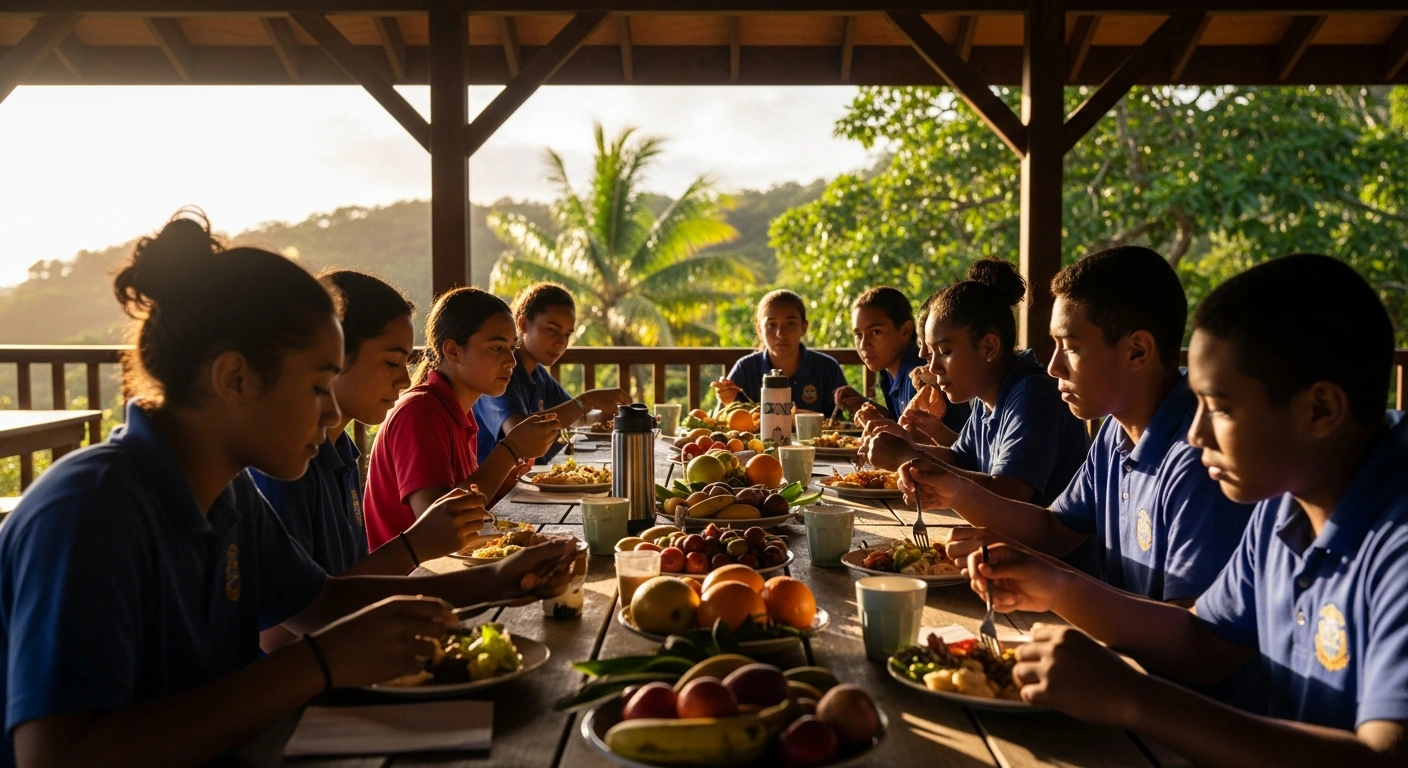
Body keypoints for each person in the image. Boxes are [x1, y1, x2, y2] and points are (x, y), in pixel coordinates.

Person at [0, 213, 577, 768]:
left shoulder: (227, 494)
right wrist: (319, 664)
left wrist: (500, 580)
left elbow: (319, 602)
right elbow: (57, 754)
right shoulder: (92, 510)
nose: (331, 411)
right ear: (234, 378)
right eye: (319, 385)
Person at [962, 254, 1407, 767]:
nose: (1195, 434)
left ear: (1321, 410)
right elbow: (1204, 639)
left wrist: (1134, 698)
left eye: (1219, 408)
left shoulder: (1394, 539)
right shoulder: (1288, 502)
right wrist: (1054, 585)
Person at [901, 246, 1252, 604]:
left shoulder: (1201, 455)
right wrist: (958, 492)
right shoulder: (1115, 432)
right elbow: (1054, 529)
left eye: (1070, 347)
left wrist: (1058, 587)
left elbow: (1190, 637)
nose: (1054, 367)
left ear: (1137, 352)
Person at [863, 260, 1089, 506]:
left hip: (1042, 545)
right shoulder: (987, 395)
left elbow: (1009, 494)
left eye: (945, 351)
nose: (933, 367)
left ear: (988, 347)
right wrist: (904, 445)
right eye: (931, 353)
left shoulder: (1032, 396)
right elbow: (959, 459)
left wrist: (909, 456)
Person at [363, 286, 561, 550]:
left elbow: (464, 502)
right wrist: (510, 450)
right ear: (453, 351)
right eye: (496, 348)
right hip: (414, 580)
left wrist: (504, 480)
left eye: (512, 348)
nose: (511, 361)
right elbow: (440, 526)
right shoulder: (420, 412)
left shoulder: (457, 411)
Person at [472, 282, 628, 463]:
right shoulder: (501, 371)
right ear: (522, 324)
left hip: (530, 478)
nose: (560, 342)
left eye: (567, 334)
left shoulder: (538, 375)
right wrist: (587, 400)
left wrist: (603, 416)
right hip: (498, 487)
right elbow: (518, 430)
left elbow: (576, 417)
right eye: (552, 330)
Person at [712, 289, 848, 416]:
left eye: (790, 324)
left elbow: (844, 422)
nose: (780, 334)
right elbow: (722, 423)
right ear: (759, 329)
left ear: (804, 328)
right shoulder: (746, 368)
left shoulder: (826, 367)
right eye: (772, 325)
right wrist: (726, 400)